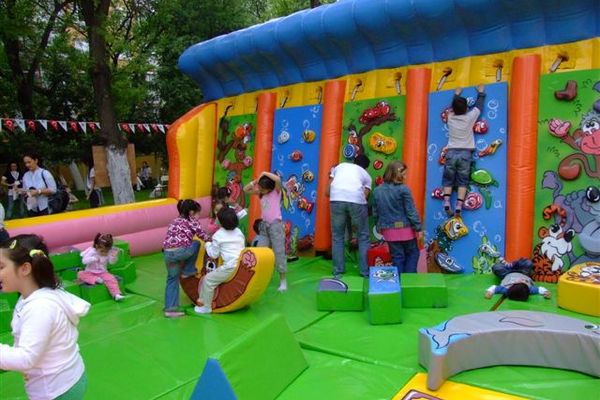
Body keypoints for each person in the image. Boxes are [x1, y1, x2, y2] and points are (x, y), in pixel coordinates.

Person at [0, 234, 90, 400]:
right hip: (69, 378)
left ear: (25, 269)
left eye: (1, 267)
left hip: (56, 390)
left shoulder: (40, 307)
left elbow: (26, 358)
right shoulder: (33, 296)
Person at [372, 161, 423, 274]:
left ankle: (399, 280)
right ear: (397, 174)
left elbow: (376, 211)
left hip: (388, 230)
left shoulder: (377, 191)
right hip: (406, 228)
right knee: (413, 253)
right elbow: (411, 210)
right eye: (403, 174)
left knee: (397, 257)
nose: (405, 177)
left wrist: (379, 226)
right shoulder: (403, 189)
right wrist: (418, 227)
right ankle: (409, 279)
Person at [442, 85, 486, 216]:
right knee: (462, 180)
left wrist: (456, 94)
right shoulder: (469, 117)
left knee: (448, 179)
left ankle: (446, 201)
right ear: (467, 109)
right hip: (465, 153)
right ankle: (459, 205)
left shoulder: (450, 116)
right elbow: (479, 107)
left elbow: (452, 107)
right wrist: (481, 93)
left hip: (451, 152)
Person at [326, 154, 372, 278]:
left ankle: (338, 271)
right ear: (366, 167)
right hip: (356, 201)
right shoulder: (366, 175)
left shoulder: (340, 167)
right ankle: (365, 272)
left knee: (337, 237)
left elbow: (327, 191)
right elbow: (365, 196)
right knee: (363, 237)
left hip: (336, 199)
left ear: (354, 162)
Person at [162, 199, 210, 317]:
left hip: (168, 254)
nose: (199, 216)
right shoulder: (192, 221)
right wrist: (214, 240)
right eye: (198, 213)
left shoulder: (175, 221)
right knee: (196, 243)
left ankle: (170, 310)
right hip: (181, 252)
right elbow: (202, 236)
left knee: (172, 279)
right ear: (192, 212)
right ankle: (188, 270)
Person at [195, 207, 245, 314]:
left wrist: (208, 244)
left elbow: (213, 254)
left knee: (208, 280)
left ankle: (206, 307)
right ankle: (202, 300)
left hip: (230, 266)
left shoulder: (219, 235)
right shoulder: (238, 231)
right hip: (241, 263)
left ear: (221, 222)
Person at [244, 172, 287, 291]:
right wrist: (256, 181)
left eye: (263, 189)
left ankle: (283, 280)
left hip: (275, 226)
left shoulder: (276, 192)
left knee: (278, 253)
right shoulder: (261, 192)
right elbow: (245, 189)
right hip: (264, 226)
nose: (260, 190)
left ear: (270, 188)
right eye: (260, 188)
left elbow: (277, 180)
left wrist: (264, 173)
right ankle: (261, 277)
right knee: (260, 252)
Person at [78, 233, 125, 301]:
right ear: (97, 246)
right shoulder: (92, 251)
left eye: (106, 251)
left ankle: (116, 294)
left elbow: (111, 263)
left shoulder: (108, 252)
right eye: (102, 251)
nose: (104, 253)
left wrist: (113, 257)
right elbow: (84, 261)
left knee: (111, 279)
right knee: (80, 274)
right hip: (90, 272)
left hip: (102, 273)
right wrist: (94, 258)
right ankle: (95, 279)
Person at [484, 257, 551, 301]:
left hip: (506, 273)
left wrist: (489, 292)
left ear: (513, 285)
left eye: (521, 281)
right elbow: (540, 289)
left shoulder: (506, 289)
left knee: (496, 267)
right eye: (524, 282)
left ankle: (509, 266)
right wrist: (546, 292)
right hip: (523, 272)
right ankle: (511, 265)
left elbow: (494, 288)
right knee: (528, 263)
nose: (523, 280)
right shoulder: (530, 289)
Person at [21, 152, 56, 217]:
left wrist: (38, 191)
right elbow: (25, 190)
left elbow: (53, 190)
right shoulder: (25, 175)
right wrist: (20, 191)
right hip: (32, 208)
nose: (27, 165)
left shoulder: (45, 173)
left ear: (36, 160)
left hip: (46, 207)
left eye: (29, 162)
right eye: (25, 163)